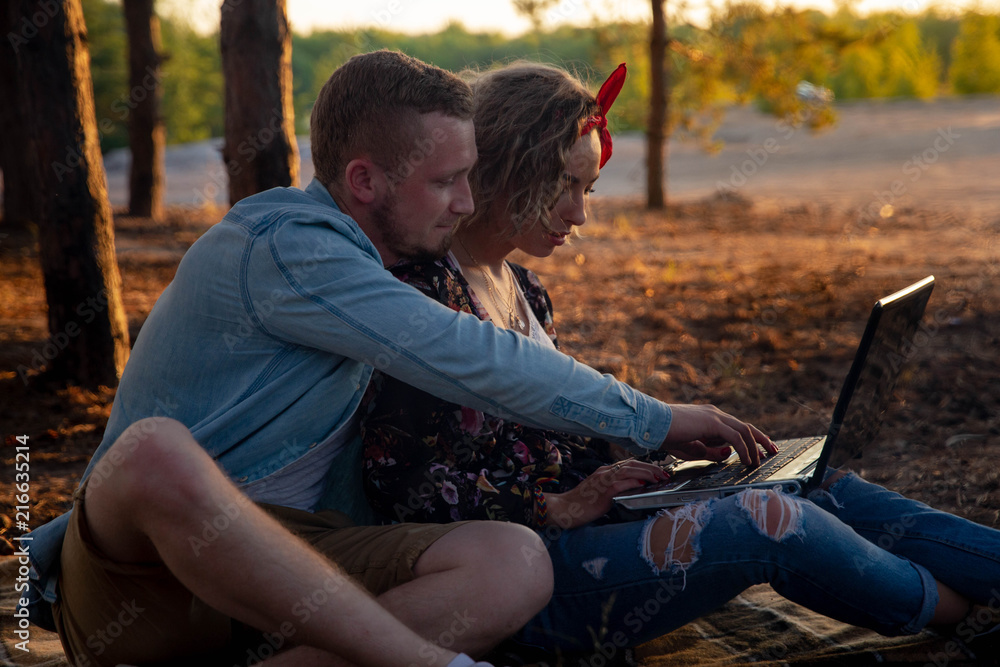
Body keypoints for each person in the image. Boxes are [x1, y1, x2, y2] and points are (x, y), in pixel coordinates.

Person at [22, 50, 774, 667]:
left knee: (515, 563)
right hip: (143, 585)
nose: (466, 201)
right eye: (446, 180)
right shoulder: (289, 246)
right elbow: (473, 357)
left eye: (471, 176)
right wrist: (658, 419)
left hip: (290, 570)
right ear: (363, 181)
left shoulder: (412, 266)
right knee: (154, 453)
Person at [359, 61, 1000, 659]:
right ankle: (966, 618)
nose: (579, 214)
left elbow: (552, 437)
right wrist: (555, 507)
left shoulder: (523, 291)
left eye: (588, 188)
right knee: (769, 521)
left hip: (592, 526)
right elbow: (408, 497)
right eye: (565, 187)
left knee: (813, 483)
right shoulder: (424, 299)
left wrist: (664, 472)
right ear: (506, 167)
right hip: (523, 576)